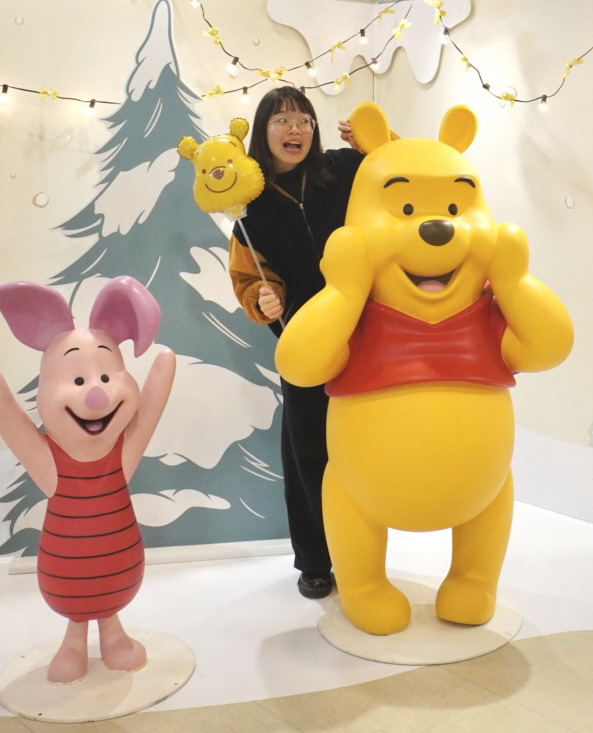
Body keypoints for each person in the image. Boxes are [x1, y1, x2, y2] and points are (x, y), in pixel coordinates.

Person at [228, 86, 363, 599]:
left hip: (365, 333)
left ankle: (364, 554)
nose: (295, 130)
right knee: (308, 452)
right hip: (305, 343)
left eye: (304, 120)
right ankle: (315, 561)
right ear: (263, 132)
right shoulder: (250, 205)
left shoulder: (343, 170)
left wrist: (377, 141)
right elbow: (248, 277)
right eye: (282, 120)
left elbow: (404, 173)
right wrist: (263, 299)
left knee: (366, 443)